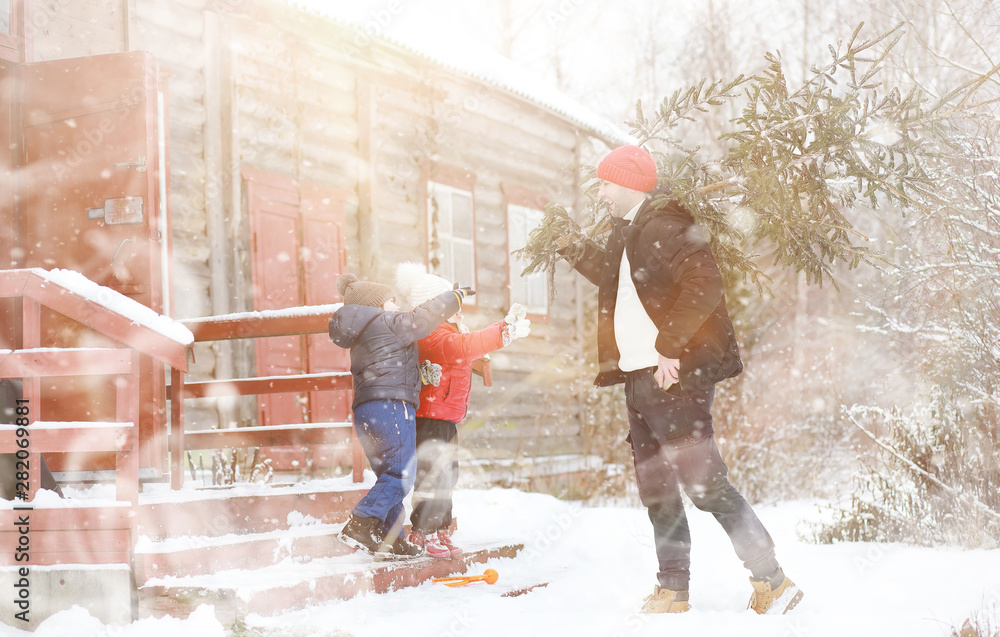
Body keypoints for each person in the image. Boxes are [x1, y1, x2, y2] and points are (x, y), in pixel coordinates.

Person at [561, 145, 803, 614]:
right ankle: (673, 589)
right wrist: (571, 247)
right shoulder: (627, 231)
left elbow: (705, 284)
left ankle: (773, 581)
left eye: (607, 182)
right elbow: (616, 280)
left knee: (706, 487)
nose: (601, 191)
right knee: (657, 490)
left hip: (673, 378)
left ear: (629, 183)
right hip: (637, 378)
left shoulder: (666, 224)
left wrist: (669, 347)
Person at [329, 272, 474, 558]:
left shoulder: (363, 332)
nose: (397, 307)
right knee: (402, 472)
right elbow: (422, 318)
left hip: (366, 410)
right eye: (391, 302)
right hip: (391, 405)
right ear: (375, 305)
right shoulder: (387, 322)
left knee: (390, 474)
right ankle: (360, 522)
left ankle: (389, 537)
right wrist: (453, 298)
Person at [394, 262, 531, 558]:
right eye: (452, 304)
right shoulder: (431, 334)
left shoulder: (446, 330)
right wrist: (503, 331)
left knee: (447, 476)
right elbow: (461, 347)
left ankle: (442, 529)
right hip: (430, 419)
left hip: (446, 417)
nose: (459, 310)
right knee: (433, 476)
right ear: (434, 308)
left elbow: (463, 352)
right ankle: (423, 533)